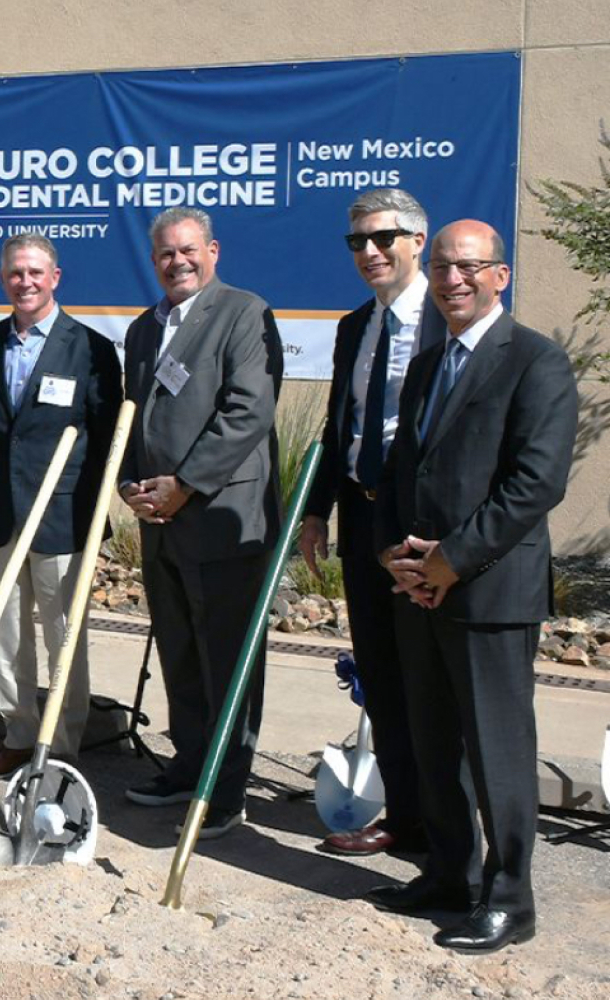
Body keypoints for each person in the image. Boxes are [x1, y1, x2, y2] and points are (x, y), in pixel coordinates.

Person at [367, 220, 575, 953]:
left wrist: (452, 559)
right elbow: (403, 472)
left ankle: (510, 899)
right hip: (420, 588)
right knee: (434, 745)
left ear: (500, 276)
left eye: (470, 267)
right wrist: (397, 554)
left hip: (488, 590)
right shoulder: (426, 366)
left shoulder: (537, 362)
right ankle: (449, 875)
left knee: (496, 749)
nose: (454, 279)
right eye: (446, 266)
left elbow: (535, 483)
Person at [117, 207, 282, 839]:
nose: (177, 262)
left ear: (212, 251)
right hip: (160, 521)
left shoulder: (243, 313)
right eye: (165, 253)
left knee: (226, 657)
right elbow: (136, 414)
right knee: (180, 650)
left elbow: (249, 411)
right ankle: (189, 766)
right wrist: (133, 483)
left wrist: (185, 485)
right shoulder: (143, 328)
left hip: (221, 518)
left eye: (188, 250)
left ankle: (226, 786)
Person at [299, 188, 443, 857]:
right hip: (361, 521)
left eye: (383, 238)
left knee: (431, 681)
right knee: (382, 677)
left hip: (422, 531)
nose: (370, 252)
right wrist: (315, 510)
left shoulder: (449, 322)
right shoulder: (355, 327)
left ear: (418, 239)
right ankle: (406, 818)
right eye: (357, 241)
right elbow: (338, 427)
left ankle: (450, 830)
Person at [0, 234, 121, 778]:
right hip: (2, 512)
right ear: (3, 279)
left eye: (35, 272)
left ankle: (59, 746)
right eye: (15, 273)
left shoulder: (91, 348)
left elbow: (103, 440)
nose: (25, 282)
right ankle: (18, 734)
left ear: (55, 277)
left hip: (62, 514)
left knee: (63, 636)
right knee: (5, 633)